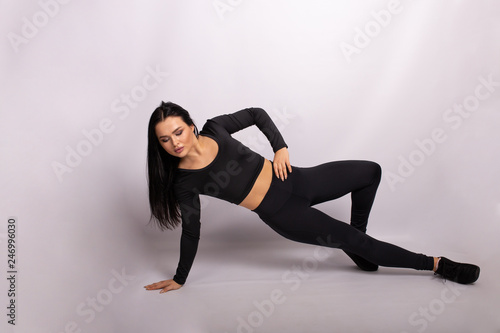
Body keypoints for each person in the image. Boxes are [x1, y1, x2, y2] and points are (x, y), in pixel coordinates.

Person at [144, 101, 480, 294]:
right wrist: (180, 277)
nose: (175, 142)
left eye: (178, 131)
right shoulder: (184, 182)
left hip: (298, 179)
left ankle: (359, 245)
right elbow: (191, 230)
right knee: (351, 238)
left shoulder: (216, 127)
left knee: (370, 171)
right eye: (164, 140)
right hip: (283, 213)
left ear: (190, 125)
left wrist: (280, 148)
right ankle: (437, 265)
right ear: (158, 145)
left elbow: (257, 113)